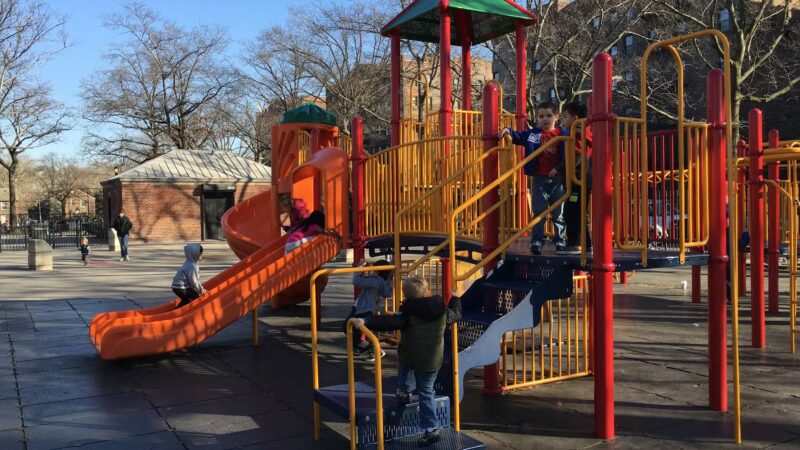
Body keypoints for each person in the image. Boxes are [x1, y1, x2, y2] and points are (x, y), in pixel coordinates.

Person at [353, 277, 462, 447]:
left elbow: (387, 322)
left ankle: (404, 391)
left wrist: (366, 321)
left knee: (405, 367)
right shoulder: (442, 311)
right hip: (432, 361)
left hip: (410, 355)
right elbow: (456, 314)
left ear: (407, 296)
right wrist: (455, 298)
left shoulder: (407, 314)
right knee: (426, 391)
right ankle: (431, 428)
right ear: (427, 293)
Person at [499, 102, 567, 255]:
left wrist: (559, 168)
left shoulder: (562, 134)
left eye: (549, 116)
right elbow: (518, 136)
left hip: (558, 179)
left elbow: (569, 153)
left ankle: (560, 238)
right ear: (536, 119)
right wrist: (507, 130)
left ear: (556, 117)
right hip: (539, 179)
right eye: (541, 116)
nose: (545, 119)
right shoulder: (533, 134)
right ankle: (537, 239)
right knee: (539, 210)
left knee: (558, 211)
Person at [559, 102, 593, 254]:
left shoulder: (578, 132)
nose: (563, 121)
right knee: (580, 211)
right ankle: (587, 244)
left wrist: (560, 168)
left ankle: (575, 243)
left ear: (575, 118)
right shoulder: (586, 131)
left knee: (571, 211)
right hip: (582, 179)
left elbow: (578, 155)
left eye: (565, 117)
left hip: (578, 179)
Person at [347, 259, 393, 361]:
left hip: (364, 308)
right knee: (361, 330)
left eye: (373, 268)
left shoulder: (375, 280)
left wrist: (359, 267)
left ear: (377, 270)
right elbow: (387, 293)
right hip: (366, 307)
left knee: (352, 329)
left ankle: (374, 349)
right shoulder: (380, 281)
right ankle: (366, 348)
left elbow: (357, 281)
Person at [171, 243, 207, 307]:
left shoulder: (189, 262)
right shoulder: (192, 266)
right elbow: (194, 282)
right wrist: (202, 290)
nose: (202, 255)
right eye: (201, 254)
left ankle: (178, 309)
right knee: (196, 297)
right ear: (195, 254)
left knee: (186, 299)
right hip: (181, 287)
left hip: (176, 287)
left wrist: (200, 289)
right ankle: (181, 312)